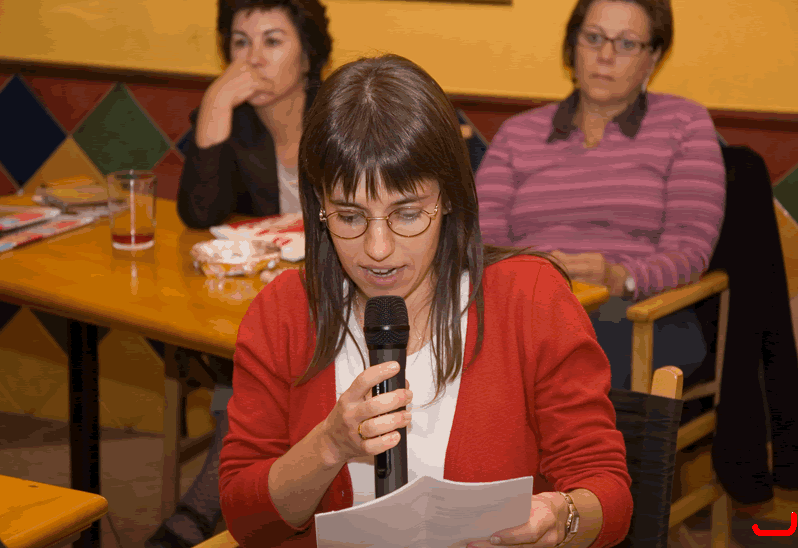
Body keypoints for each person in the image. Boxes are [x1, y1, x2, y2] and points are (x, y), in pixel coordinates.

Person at [219, 54, 633, 548]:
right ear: (319, 207)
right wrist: (327, 447)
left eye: (408, 214)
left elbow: (608, 494)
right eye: (349, 217)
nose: (378, 249)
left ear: (450, 197)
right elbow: (247, 522)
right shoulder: (284, 311)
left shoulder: (529, 299)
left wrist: (561, 515)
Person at [146, 2, 331, 547]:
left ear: (308, 55)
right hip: (257, 308)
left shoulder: (340, 113)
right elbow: (199, 214)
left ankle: (192, 520)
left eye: (272, 41)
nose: (252, 60)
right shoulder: (236, 121)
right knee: (254, 365)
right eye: (240, 42)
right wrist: (214, 104)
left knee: (257, 372)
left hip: (338, 298)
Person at [475, 0, 726, 390]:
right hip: (527, 304)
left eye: (626, 43)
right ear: (572, 44)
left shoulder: (684, 125)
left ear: (653, 56)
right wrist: (531, 276)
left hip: (639, 313)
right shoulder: (517, 134)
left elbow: (689, 251)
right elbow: (481, 240)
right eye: (593, 38)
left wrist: (620, 278)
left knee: (566, 353)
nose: (605, 56)